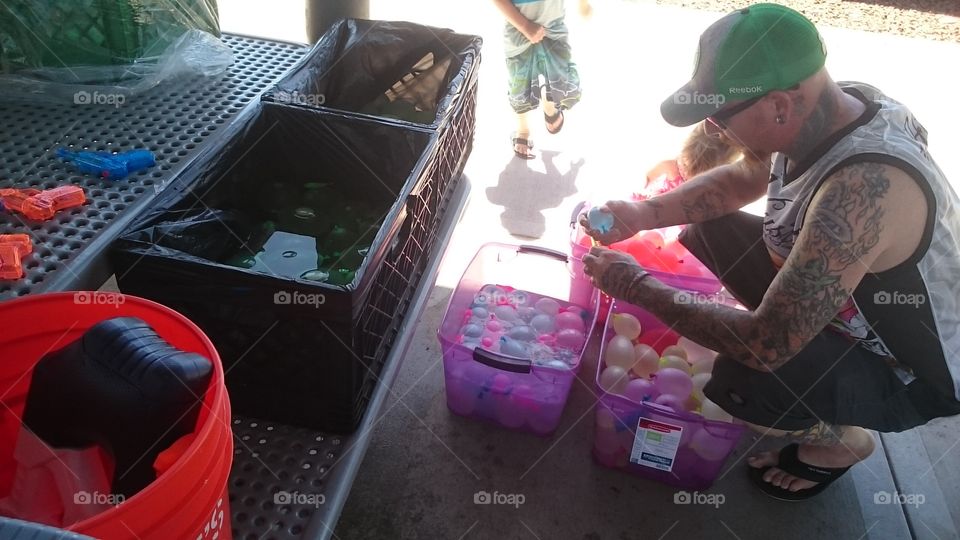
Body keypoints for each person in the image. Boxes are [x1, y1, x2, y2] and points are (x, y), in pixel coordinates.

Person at [581, 2, 960, 501]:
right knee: (706, 224)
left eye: (719, 115)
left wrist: (637, 286)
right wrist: (647, 214)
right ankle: (806, 356)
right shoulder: (837, 105)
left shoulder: (865, 189)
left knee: (743, 379)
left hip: (905, 369)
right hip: (854, 307)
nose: (714, 128)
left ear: (781, 104)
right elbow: (744, 177)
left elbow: (765, 345)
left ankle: (841, 442)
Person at [492, 0, 590, 159]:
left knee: (558, 76)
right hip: (518, 32)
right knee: (520, 85)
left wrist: (583, 4)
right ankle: (523, 130)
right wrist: (525, 26)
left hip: (554, 26)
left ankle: (549, 108)